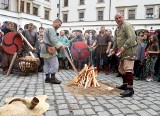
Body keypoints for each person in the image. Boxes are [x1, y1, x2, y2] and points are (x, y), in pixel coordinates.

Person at [111, 13, 137, 97]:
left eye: (120, 17)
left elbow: (132, 38)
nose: (118, 19)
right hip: (122, 53)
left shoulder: (127, 25)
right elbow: (116, 41)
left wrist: (124, 47)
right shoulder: (117, 29)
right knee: (122, 69)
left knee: (128, 69)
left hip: (129, 51)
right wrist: (113, 49)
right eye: (116, 18)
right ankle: (125, 85)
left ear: (123, 17)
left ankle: (130, 89)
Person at [40, 19, 65, 84]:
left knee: (47, 64)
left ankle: (47, 78)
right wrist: (60, 46)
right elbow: (53, 39)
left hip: (45, 47)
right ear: (55, 22)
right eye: (59, 24)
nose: (59, 26)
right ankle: (53, 78)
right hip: (48, 48)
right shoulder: (51, 28)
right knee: (55, 63)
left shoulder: (49, 28)